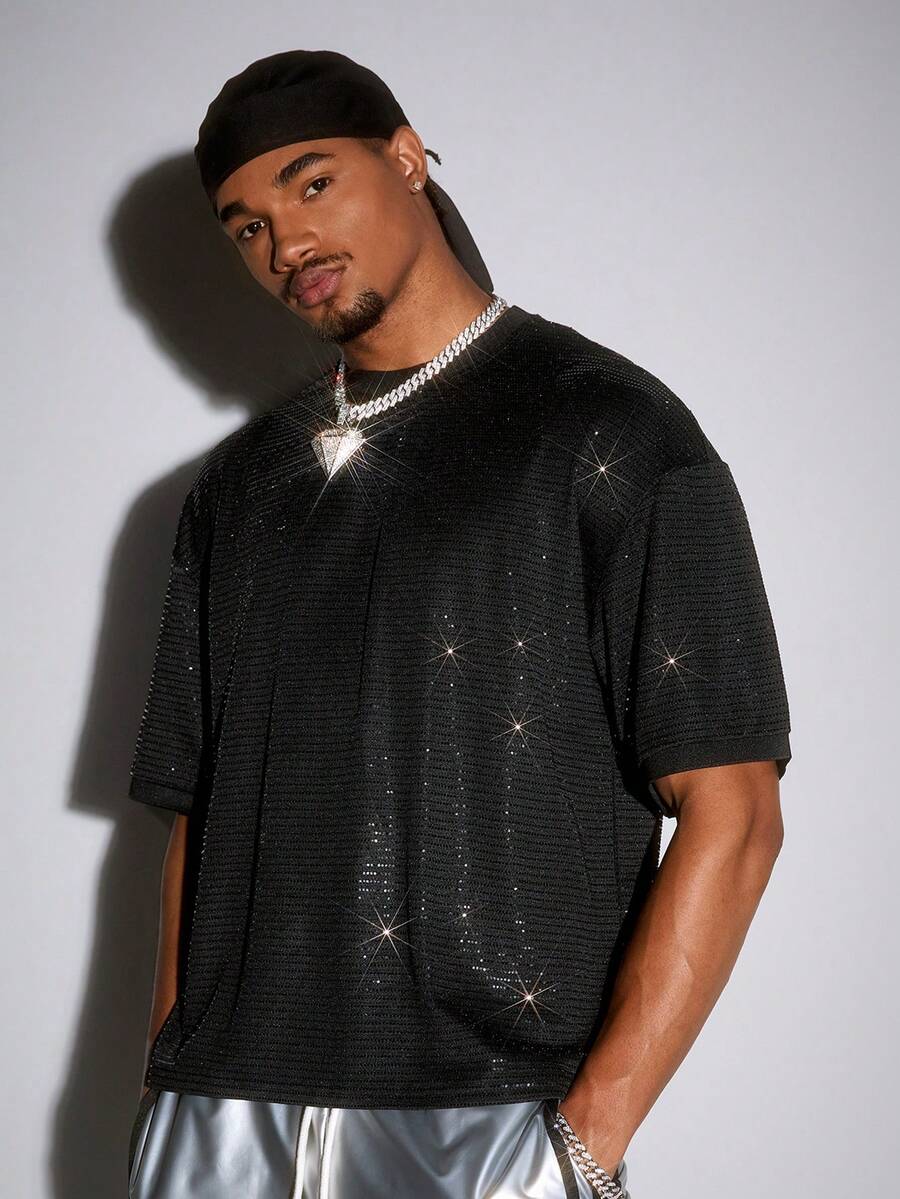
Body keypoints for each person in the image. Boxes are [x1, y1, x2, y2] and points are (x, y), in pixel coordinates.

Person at [126, 49, 792, 1199]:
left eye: (313, 183)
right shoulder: (235, 490)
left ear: (405, 158)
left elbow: (734, 812)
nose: (287, 243)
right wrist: (165, 1091)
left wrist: (578, 1150)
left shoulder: (610, 434)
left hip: (480, 1126)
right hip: (218, 1125)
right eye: (248, 227)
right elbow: (199, 811)